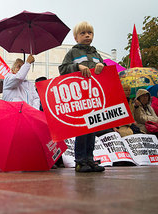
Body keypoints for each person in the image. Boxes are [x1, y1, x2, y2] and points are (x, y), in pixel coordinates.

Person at [58, 21, 105, 172]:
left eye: (89, 33)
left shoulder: (96, 54)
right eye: (83, 33)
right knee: (83, 129)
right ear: (76, 38)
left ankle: (89, 159)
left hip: (94, 97)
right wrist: (77, 66)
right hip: (80, 97)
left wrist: (101, 67)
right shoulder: (72, 53)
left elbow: (105, 74)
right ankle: (80, 161)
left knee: (93, 129)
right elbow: (62, 69)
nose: (87, 35)